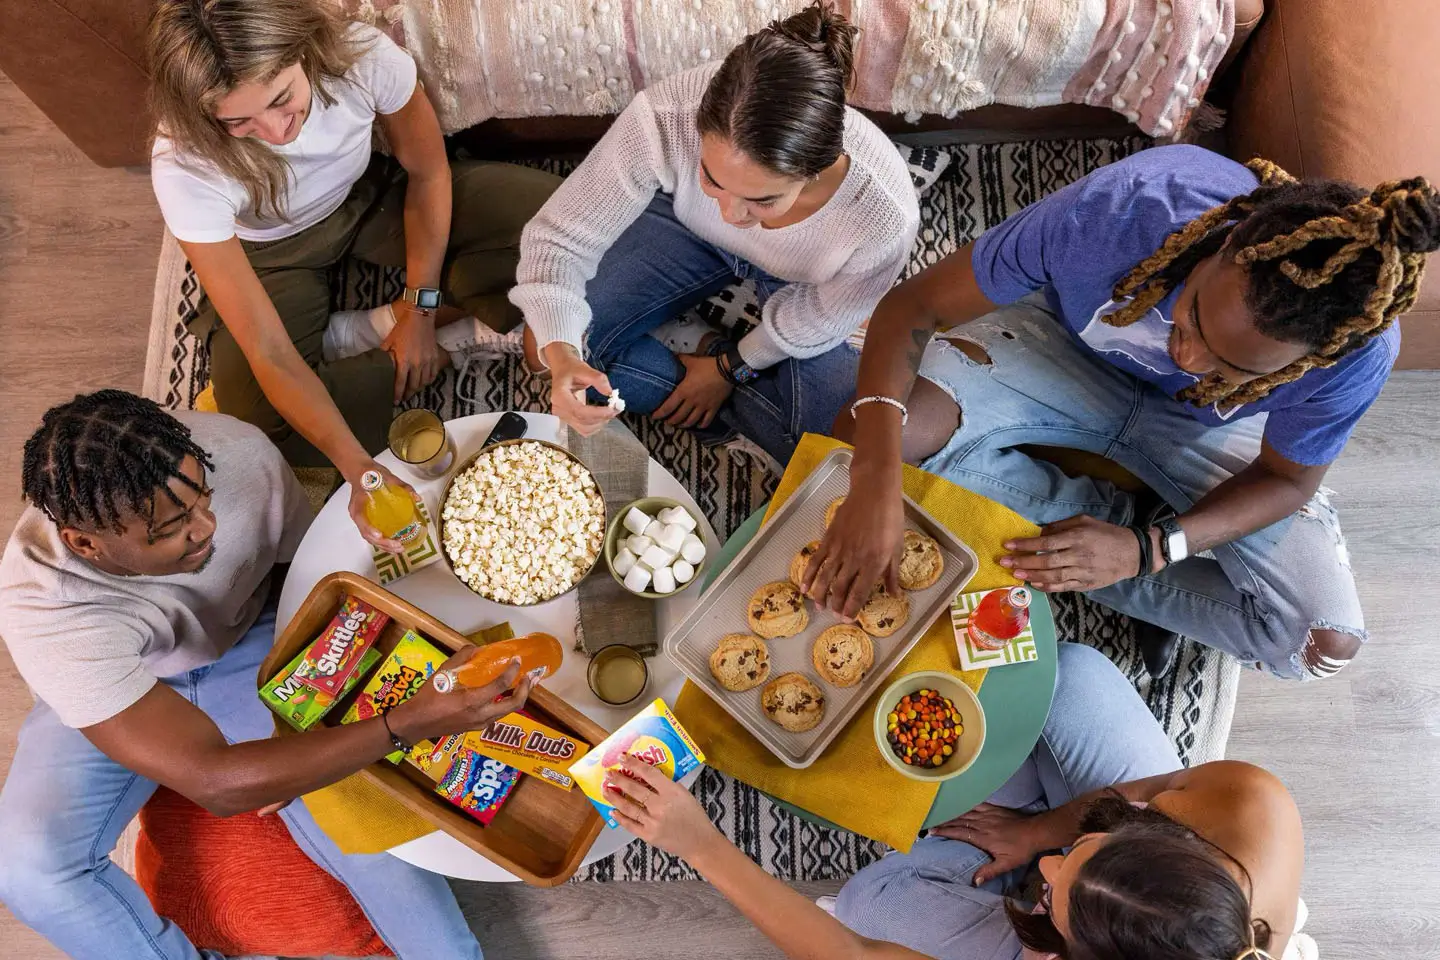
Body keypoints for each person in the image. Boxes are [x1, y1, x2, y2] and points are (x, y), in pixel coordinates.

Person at [804, 144, 1440, 679]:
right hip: (1058, 353)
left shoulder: (1356, 351)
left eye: (1233, 367)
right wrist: (876, 483)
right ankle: (1117, 529)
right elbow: (912, 307)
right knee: (866, 439)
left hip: (1198, 434)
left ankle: (1129, 540)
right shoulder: (1126, 206)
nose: (1184, 357)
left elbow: (1288, 478)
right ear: (1219, 243)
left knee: (1317, 646)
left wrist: (1152, 549)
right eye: (1189, 314)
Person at [0, 390, 528, 959]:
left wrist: (308, 712)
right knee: (29, 869)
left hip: (256, 640)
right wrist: (404, 723)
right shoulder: (42, 609)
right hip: (120, 693)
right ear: (87, 545)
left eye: (202, 497)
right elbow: (216, 783)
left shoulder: (234, 452)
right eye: (173, 528)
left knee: (381, 848)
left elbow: (305, 574)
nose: (207, 527)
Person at [146, 0, 559, 546]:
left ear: (305, 50)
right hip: (268, 253)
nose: (273, 132)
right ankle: (433, 327)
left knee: (559, 226)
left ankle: (397, 327)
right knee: (258, 434)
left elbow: (429, 171)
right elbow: (268, 351)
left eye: (282, 98)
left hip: (368, 199)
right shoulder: (183, 163)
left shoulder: (360, 54)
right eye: (237, 121)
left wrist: (421, 307)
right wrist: (360, 470)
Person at [602, 644, 1303, 960]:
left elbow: (849, 951)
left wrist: (698, 843)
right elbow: (1143, 796)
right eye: (1083, 854)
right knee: (1079, 674)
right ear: (1167, 839)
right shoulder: (1253, 805)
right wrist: (1037, 836)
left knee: (868, 906)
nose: (1053, 869)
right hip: (1129, 873)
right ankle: (1008, 818)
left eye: (1053, 892)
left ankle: (964, 837)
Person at [510, 1, 919, 464]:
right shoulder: (667, 115)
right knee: (544, 344)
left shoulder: (884, 217)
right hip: (683, 230)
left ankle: (711, 371)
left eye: (763, 200)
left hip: (803, 285)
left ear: (818, 168)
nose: (729, 214)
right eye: (712, 179)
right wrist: (564, 358)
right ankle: (715, 367)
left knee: (843, 447)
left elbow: (822, 318)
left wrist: (730, 367)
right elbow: (559, 242)